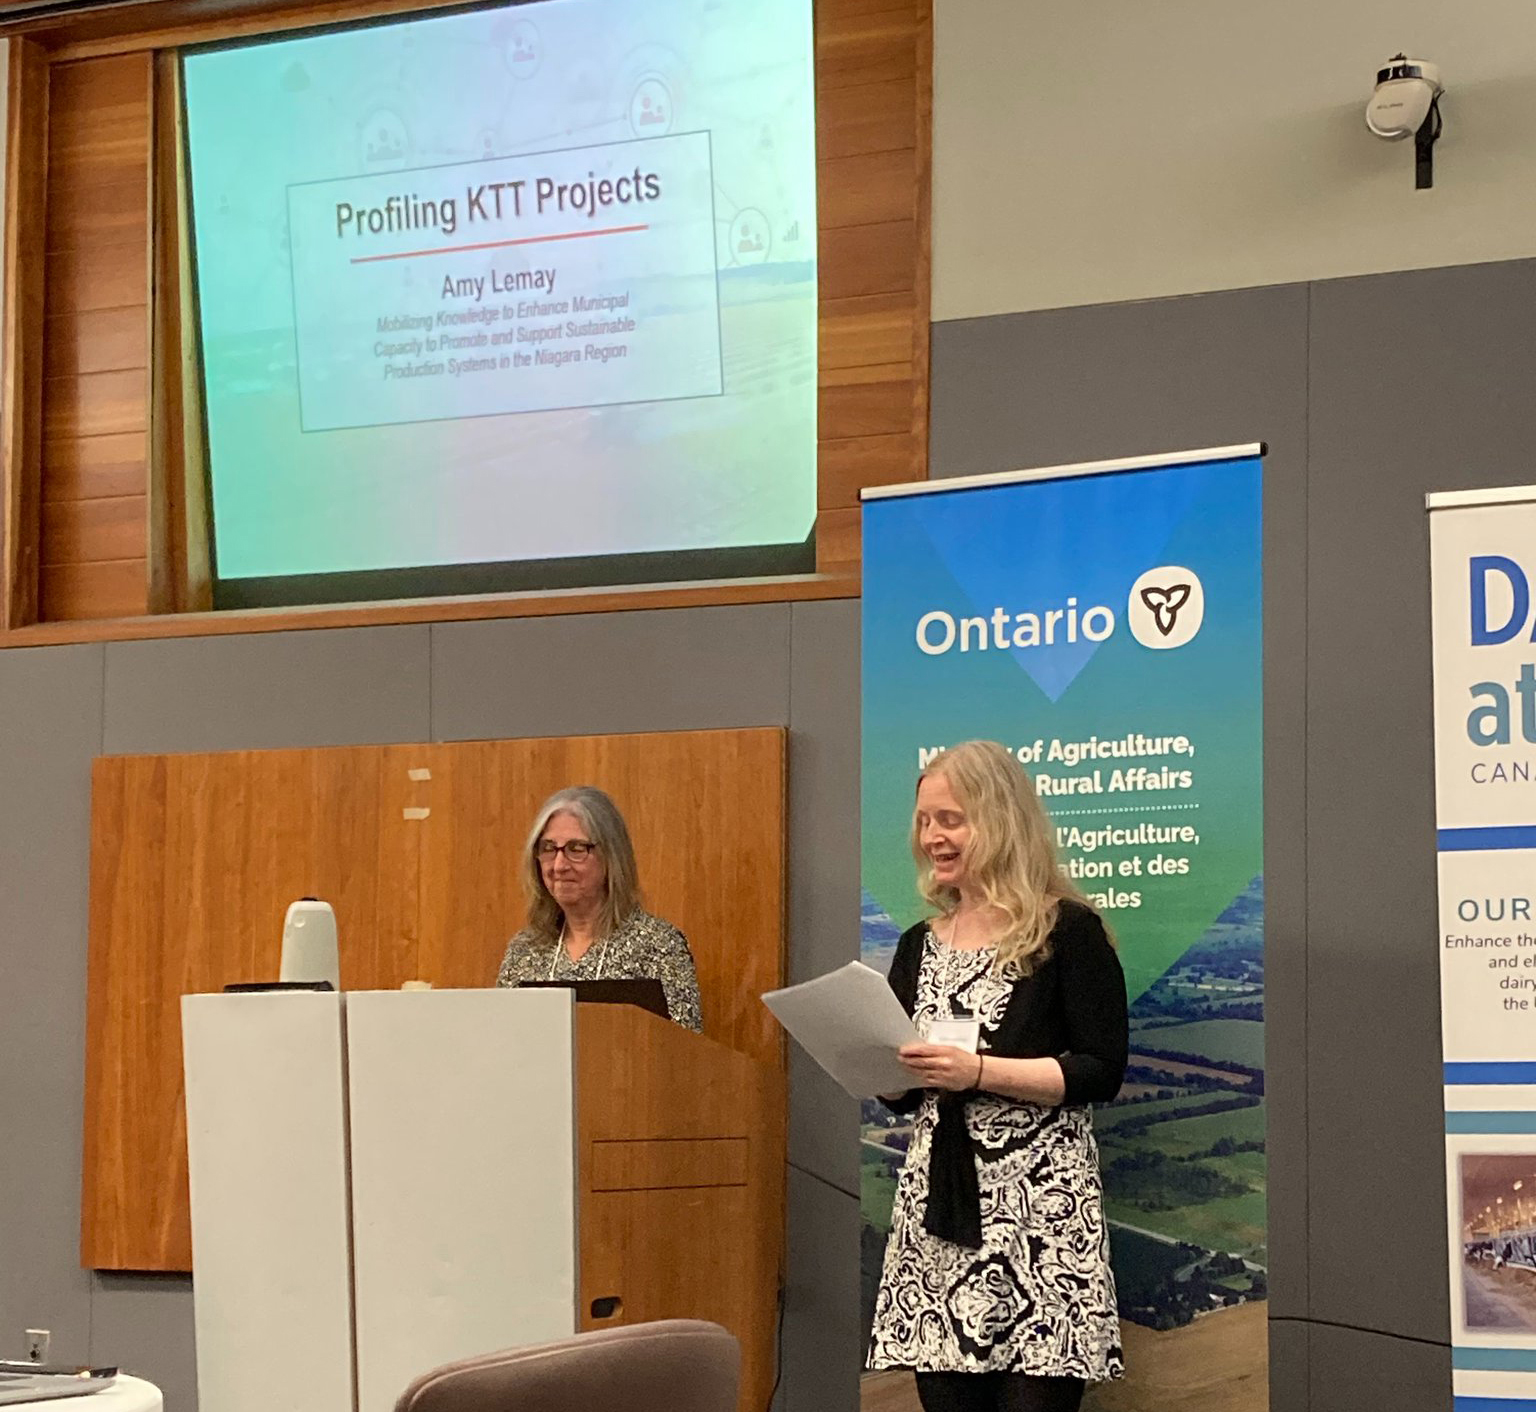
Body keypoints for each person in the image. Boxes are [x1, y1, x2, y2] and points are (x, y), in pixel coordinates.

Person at [866, 740, 1128, 1412]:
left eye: (949, 819)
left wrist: (977, 1070)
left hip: (1039, 1218)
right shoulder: (917, 944)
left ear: (1000, 818)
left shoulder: (1066, 931)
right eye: (924, 821)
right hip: (939, 1216)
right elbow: (898, 1090)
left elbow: (1100, 1069)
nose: (931, 837)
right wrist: (878, 1067)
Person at [496, 785, 702, 1031]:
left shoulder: (658, 945)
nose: (559, 865)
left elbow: (686, 1052)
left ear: (611, 856)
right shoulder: (524, 950)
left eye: (576, 849)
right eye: (549, 849)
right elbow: (502, 1042)